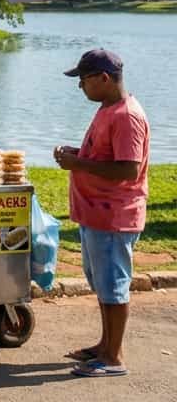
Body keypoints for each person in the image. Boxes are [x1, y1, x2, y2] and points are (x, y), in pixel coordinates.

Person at [54, 49, 149, 378]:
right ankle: (105, 344)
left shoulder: (126, 116)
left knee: (114, 286)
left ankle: (113, 357)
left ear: (104, 79)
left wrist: (78, 163)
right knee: (103, 283)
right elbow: (103, 155)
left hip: (113, 217)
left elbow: (128, 169)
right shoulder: (108, 109)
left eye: (83, 80)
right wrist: (77, 153)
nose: (81, 87)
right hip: (96, 214)